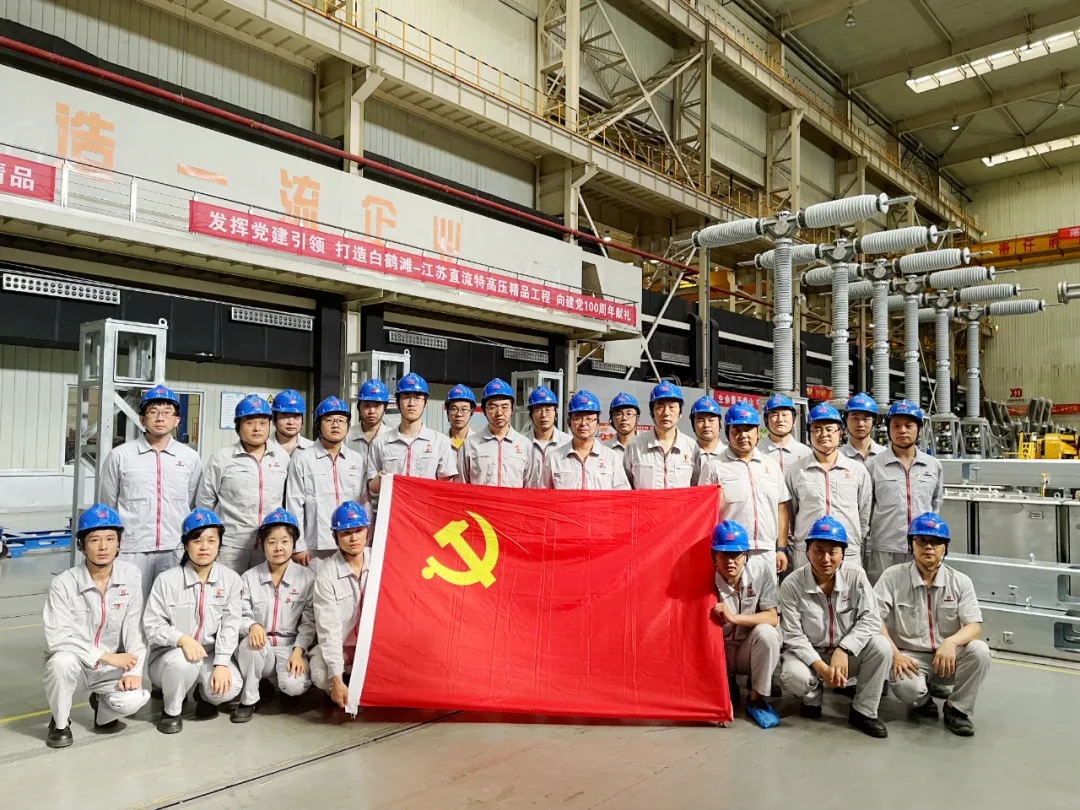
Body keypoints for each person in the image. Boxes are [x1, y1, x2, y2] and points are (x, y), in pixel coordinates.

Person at [43, 504, 150, 749]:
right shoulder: (63, 584)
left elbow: (135, 628)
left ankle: (103, 713)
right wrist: (105, 656)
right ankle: (60, 723)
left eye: (110, 539)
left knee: (135, 699)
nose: (103, 547)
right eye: (94, 540)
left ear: (119, 543)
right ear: (82, 545)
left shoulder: (131, 575)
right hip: (78, 666)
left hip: (111, 669)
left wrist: (134, 671)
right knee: (61, 663)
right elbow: (57, 638)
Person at [875, 513, 990, 737]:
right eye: (921, 540)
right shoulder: (892, 577)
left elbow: (974, 626)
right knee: (909, 690)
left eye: (936, 542)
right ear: (911, 545)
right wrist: (895, 654)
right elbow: (874, 619)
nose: (928, 547)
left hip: (948, 658)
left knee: (980, 651)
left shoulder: (960, 582)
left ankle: (956, 708)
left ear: (945, 547)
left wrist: (951, 642)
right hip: (910, 658)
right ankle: (922, 699)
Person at [779, 516, 891, 738]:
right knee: (793, 675)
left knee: (882, 647)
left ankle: (864, 711)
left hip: (846, 654)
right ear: (807, 551)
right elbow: (793, 635)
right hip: (811, 655)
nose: (826, 559)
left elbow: (871, 619)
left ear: (843, 554)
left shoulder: (856, 576)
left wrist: (844, 649)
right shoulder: (792, 584)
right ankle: (812, 697)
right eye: (819, 551)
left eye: (833, 552)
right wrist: (821, 667)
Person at [143, 508, 243, 734]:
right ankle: (172, 710)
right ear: (186, 545)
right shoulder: (166, 580)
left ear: (219, 544)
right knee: (182, 662)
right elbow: (152, 625)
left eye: (211, 540)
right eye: (197, 541)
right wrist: (181, 640)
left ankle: (204, 696)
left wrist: (222, 663)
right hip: (170, 656)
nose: (204, 547)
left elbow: (230, 625)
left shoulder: (230, 580)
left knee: (230, 687)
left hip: (209, 655)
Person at [99, 384, 203, 598]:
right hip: (132, 547)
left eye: (167, 413)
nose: (160, 418)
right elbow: (108, 505)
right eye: (153, 412)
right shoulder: (121, 456)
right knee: (129, 604)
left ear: (177, 420)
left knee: (173, 603)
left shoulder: (190, 458)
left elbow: (193, 503)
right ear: (142, 419)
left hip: (175, 546)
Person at [233, 508, 316, 723]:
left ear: (294, 543)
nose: (278, 547)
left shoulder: (307, 578)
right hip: (262, 645)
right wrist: (252, 626)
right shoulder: (249, 577)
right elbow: (239, 613)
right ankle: (249, 699)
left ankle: (283, 687)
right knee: (251, 647)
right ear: (263, 545)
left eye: (285, 541)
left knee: (294, 686)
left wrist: (298, 651)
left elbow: (309, 623)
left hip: (290, 646)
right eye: (272, 542)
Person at [197, 395, 289, 573]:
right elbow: (205, 502)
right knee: (226, 588)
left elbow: (287, 500)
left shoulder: (281, 457)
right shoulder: (222, 458)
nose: (257, 428)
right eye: (250, 423)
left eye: (262, 423)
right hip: (230, 545)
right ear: (238, 426)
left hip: (270, 544)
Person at [699, 403, 790, 574]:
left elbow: (781, 507)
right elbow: (704, 515)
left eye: (748, 429)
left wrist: (781, 548)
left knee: (767, 593)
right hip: (730, 552)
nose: (743, 435)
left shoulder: (771, 465)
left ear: (757, 431)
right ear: (727, 433)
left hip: (767, 551)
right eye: (736, 430)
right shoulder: (714, 467)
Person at [709, 520, 781, 729]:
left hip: (746, 651)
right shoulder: (704, 579)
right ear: (714, 555)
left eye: (736, 555)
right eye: (724, 554)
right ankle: (719, 693)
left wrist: (734, 618)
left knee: (768, 634)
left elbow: (772, 617)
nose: (730, 561)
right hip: (718, 653)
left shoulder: (760, 572)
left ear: (746, 555)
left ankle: (756, 700)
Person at [865, 400, 945, 583]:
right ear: (888, 430)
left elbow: (936, 503)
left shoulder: (933, 466)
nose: (902, 430)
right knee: (882, 595)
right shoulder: (873, 466)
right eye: (896, 426)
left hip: (922, 546)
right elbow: (866, 508)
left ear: (919, 429)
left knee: (920, 592)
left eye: (909, 426)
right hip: (885, 548)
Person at [786, 403, 872, 570]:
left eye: (829, 429)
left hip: (847, 550)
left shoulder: (857, 470)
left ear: (840, 432)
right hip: (808, 551)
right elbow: (791, 514)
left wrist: (855, 540)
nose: (823, 434)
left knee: (848, 587)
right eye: (817, 429)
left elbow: (864, 514)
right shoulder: (796, 471)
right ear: (809, 434)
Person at [286, 396, 368, 566]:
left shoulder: (356, 460)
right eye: (329, 420)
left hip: (351, 541)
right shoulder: (303, 458)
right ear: (318, 425)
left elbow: (364, 501)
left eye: (341, 420)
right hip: (316, 546)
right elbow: (293, 504)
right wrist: (298, 546)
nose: (336, 425)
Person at [310, 501, 370, 710]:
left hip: (372, 646)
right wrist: (336, 679)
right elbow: (329, 630)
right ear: (335, 536)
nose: (354, 538)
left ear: (367, 531)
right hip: (342, 646)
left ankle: (361, 681)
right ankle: (341, 685)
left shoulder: (381, 561)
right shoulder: (326, 576)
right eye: (346, 533)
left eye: (358, 531)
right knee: (320, 672)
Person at [368, 374, 458, 497]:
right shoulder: (380, 443)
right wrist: (379, 480)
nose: (411, 403)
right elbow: (372, 487)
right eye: (405, 397)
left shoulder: (440, 442)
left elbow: (446, 485)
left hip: (426, 507)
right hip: (394, 507)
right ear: (398, 403)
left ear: (425, 403)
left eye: (417, 398)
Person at [537, 390, 630, 490]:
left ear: (597, 422)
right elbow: (544, 496)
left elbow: (622, 495)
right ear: (569, 422)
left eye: (589, 419)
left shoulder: (611, 458)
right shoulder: (554, 459)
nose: (583, 423)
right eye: (577, 418)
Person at [623, 382, 700, 489]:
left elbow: (696, 488)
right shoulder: (634, 446)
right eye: (660, 407)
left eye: (672, 407)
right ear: (651, 413)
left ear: (680, 413)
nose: (666, 413)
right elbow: (626, 486)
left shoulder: (691, 447)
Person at [458, 378, 533, 487]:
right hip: (481, 499)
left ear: (512, 409)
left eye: (505, 407)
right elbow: (461, 485)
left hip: (513, 499)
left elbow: (529, 487)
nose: (499, 413)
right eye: (492, 407)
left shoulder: (525, 445)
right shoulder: (470, 444)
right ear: (484, 410)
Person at [523, 386, 571, 487]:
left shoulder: (568, 443)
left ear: (555, 413)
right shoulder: (522, 443)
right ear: (530, 415)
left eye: (548, 410)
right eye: (538, 410)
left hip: (557, 497)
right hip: (528, 496)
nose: (543, 415)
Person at [760, 394, 811, 473]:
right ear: (766, 420)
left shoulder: (805, 453)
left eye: (784, 415)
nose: (780, 419)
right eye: (774, 415)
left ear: (794, 420)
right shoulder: (757, 451)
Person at [345, 379, 389, 459]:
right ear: (359, 407)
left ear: (384, 408)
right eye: (366, 406)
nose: (372, 411)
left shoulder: (392, 438)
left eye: (377, 406)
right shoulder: (346, 437)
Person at [840, 393, 884, 463]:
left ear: (874, 421)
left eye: (866, 419)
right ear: (846, 420)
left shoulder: (885, 455)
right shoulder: (837, 457)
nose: (860, 424)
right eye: (855, 418)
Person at [271, 389, 313, 457]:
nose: (291, 422)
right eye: (285, 417)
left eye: (296, 417)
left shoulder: (312, 449)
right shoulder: (262, 448)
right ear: (274, 420)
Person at [690, 396, 725, 476]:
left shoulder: (730, 455)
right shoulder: (686, 454)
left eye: (711, 420)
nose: (706, 425)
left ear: (719, 423)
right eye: (700, 421)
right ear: (693, 425)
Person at [605, 392, 639, 457]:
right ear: (611, 419)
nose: (624, 418)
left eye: (629, 414)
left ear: (637, 417)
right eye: (618, 414)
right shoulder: (605, 449)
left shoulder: (647, 445)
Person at [445, 384, 477, 450]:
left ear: (471, 412)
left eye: (464, 409)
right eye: (454, 409)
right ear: (448, 412)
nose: (459, 414)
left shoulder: (479, 442)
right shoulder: (439, 443)